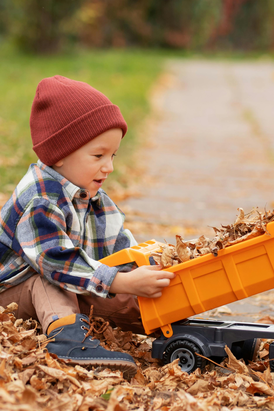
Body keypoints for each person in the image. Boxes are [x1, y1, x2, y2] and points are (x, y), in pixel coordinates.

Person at [0, 75, 174, 377]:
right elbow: (55, 261)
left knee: (127, 289)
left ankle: (183, 330)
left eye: (113, 155)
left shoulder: (93, 195)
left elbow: (120, 251)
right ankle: (66, 339)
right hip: (13, 294)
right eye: (98, 155)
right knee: (49, 278)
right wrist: (119, 282)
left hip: (69, 285)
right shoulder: (40, 198)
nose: (109, 166)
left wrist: (145, 275)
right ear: (61, 153)